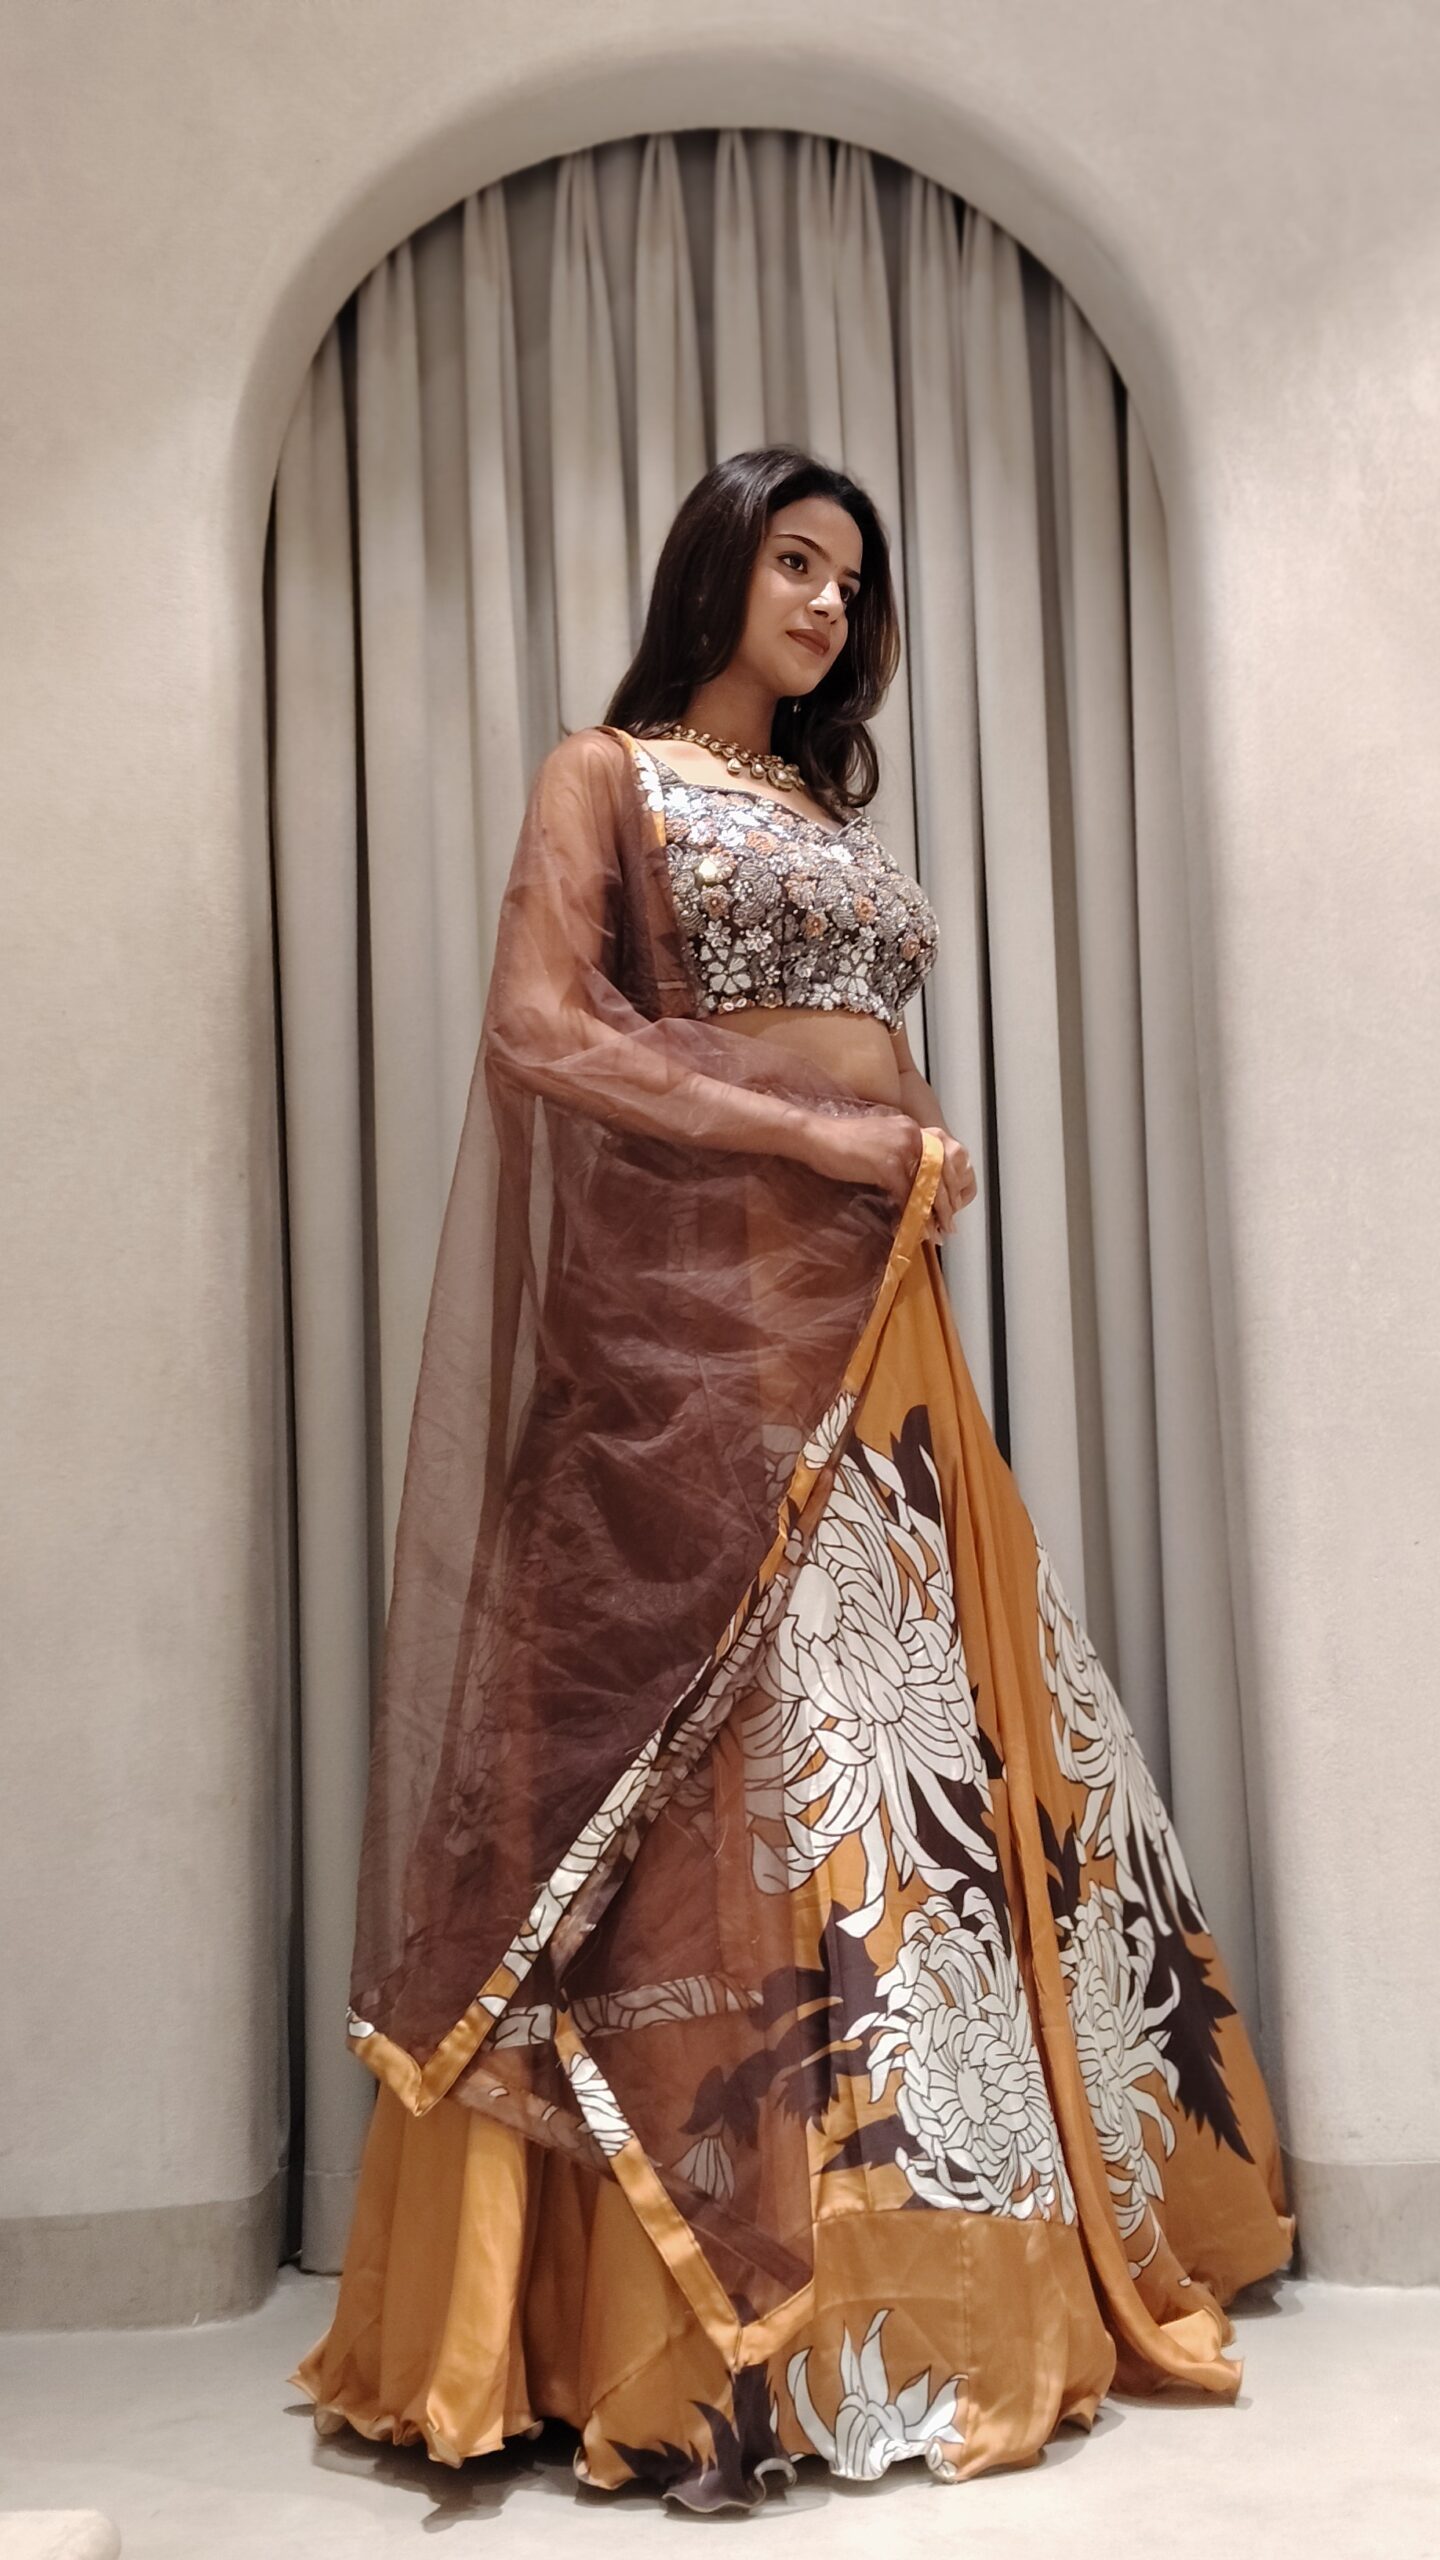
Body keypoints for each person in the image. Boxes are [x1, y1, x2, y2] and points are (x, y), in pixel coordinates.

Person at [291, 446, 1296, 2508]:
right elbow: (540, 1030)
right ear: (715, 570)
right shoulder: (606, 775)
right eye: (795, 560)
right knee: (716, 1770)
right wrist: (825, 1136)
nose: (829, 601)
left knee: (894, 1775)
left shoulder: (824, 810)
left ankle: (930, 2274)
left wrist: (886, 1158)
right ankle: (667, 2311)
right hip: (695, 1340)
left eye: (853, 576)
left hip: (870, 1326)